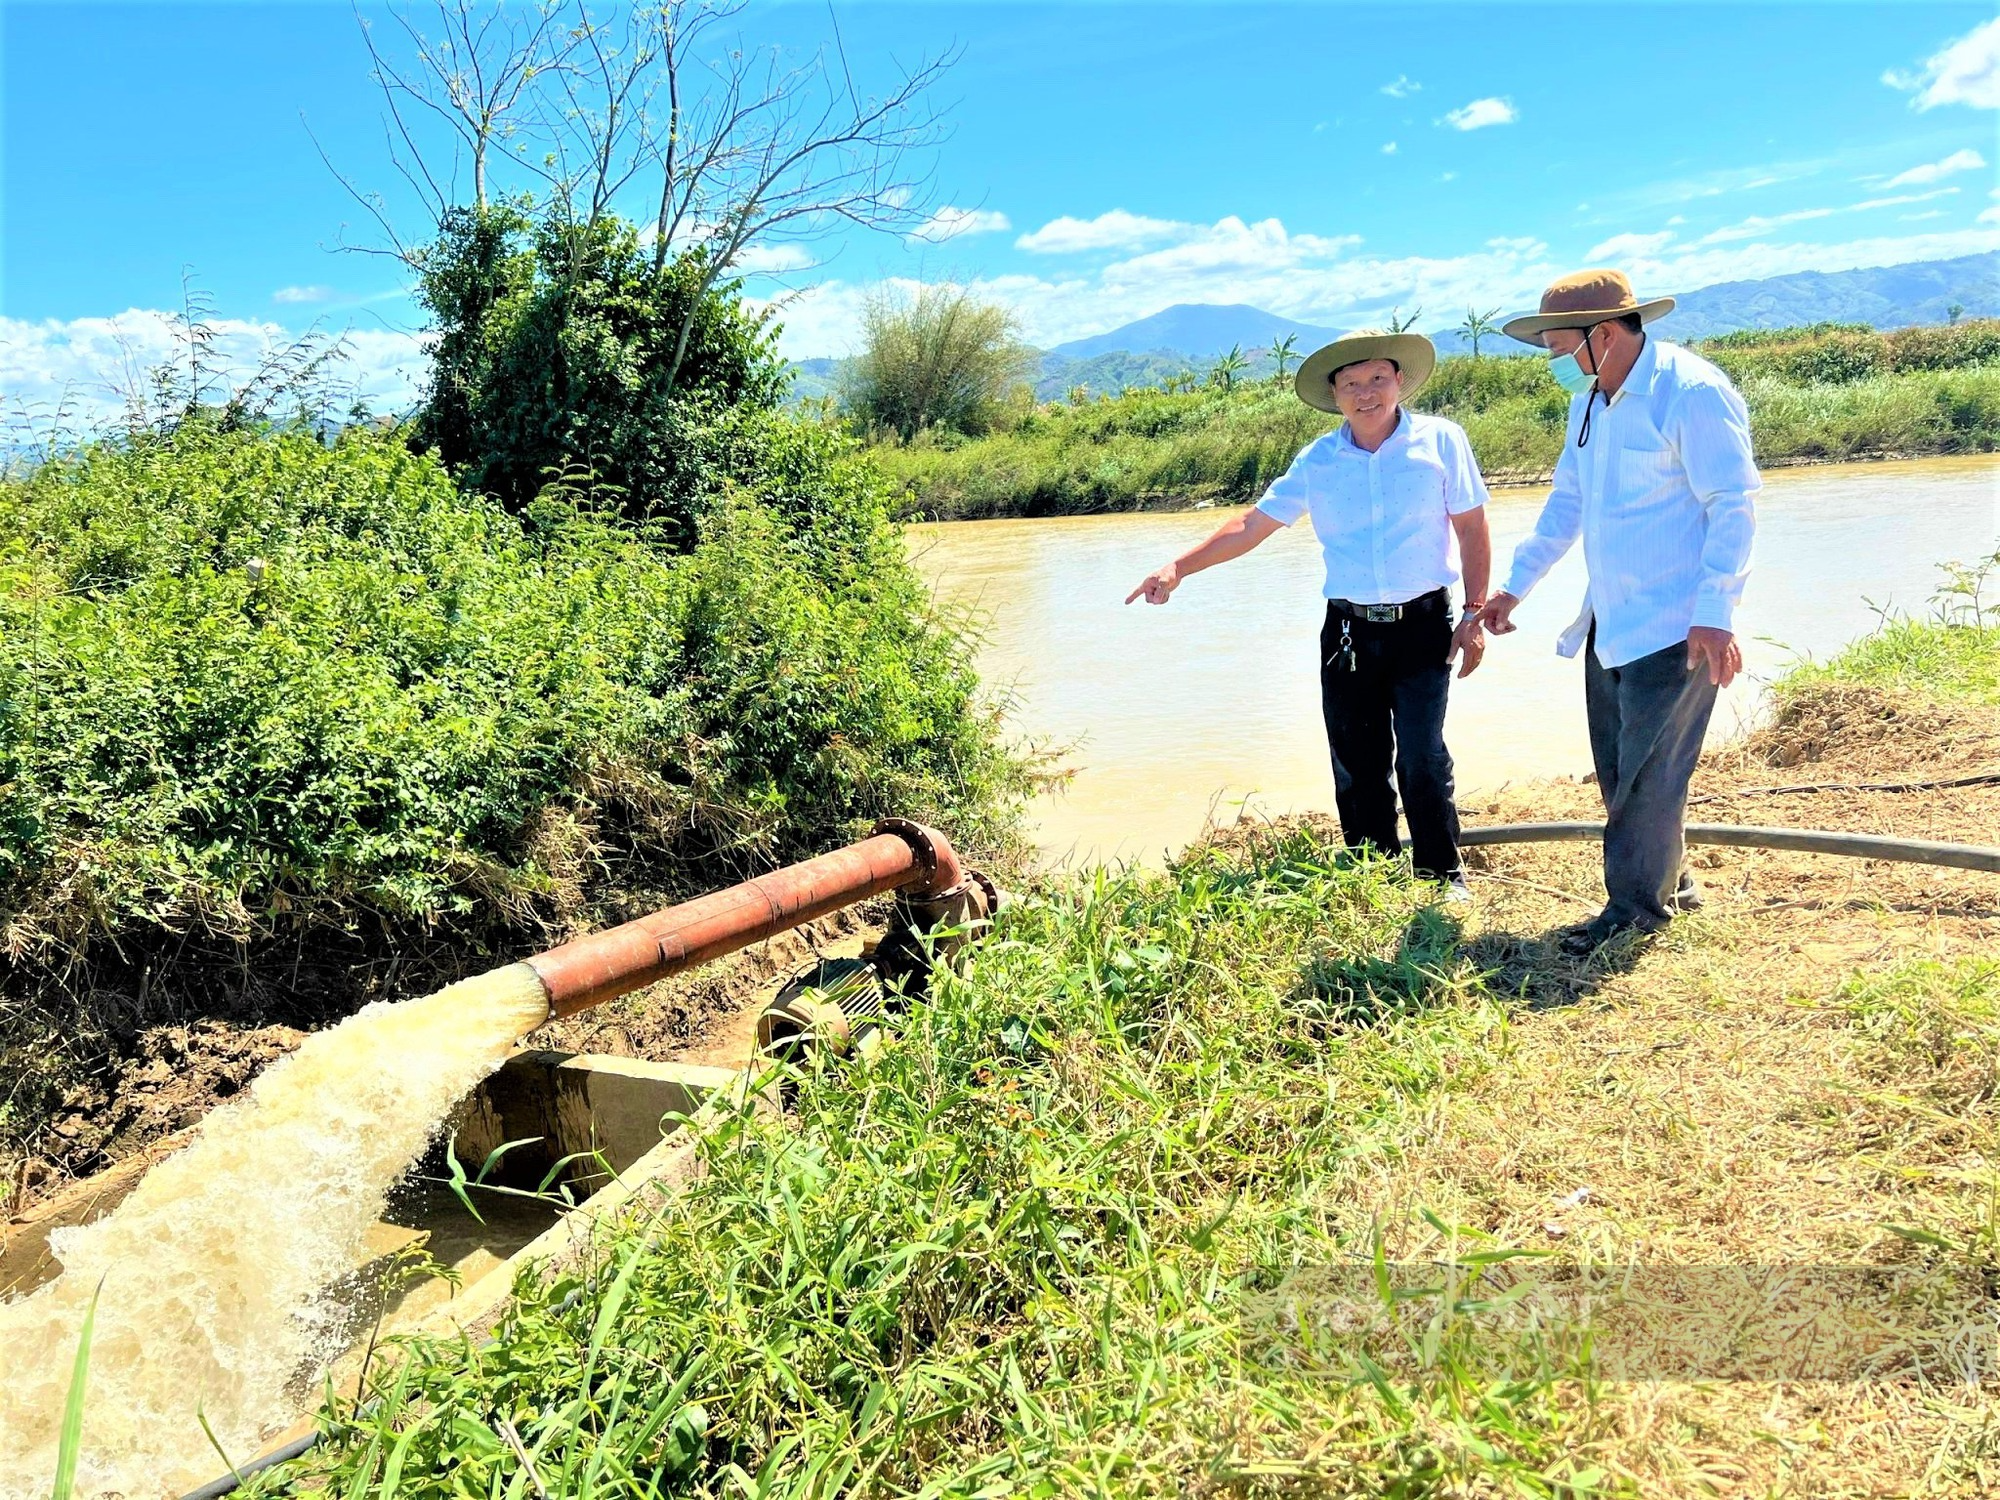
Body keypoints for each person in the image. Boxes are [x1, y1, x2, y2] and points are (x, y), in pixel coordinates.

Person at [1127, 329, 1493, 894]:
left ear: (1400, 380)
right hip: (1347, 630)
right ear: (1335, 393)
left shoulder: (1442, 441)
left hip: (1424, 625)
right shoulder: (1317, 461)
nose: (1365, 392)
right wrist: (1177, 567)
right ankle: (1374, 879)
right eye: (1351, 383)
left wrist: (1473, 615)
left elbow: (1472, 527)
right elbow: (1252, 525)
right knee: (1356, 760)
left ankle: (1442, 874)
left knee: (1423, 756)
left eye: (1376, 378)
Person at [1470, 269, 1758, 955]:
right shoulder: (1592, 404)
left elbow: (1734, 505)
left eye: (1558, 347)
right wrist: (1515, 587)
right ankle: (1671, 883)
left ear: (1604, 335)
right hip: (1612, 620)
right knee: (1620, 769)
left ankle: (1633, 914)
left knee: (1650, 776)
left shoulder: (1689, 393)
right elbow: (1567, 506)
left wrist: (1716, 612)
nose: (1553, 363)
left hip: (1678, 625)